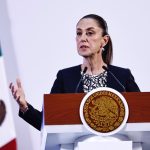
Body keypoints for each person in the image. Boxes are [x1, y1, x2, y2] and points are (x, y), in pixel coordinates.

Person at [9, 14, 140, 131]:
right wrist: (24, 106)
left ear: (104, 40)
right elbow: (47, 123)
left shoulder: (122, 76)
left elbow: (143, 115)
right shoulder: (65, 77)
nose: (82, 38)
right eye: (79, 33)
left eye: (90, 33)